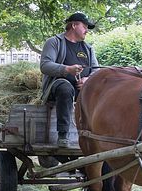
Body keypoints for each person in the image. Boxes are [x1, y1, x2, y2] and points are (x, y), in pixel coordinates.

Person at [40, 12, 99, 147]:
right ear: (74, 25)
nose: (86, 31)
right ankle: (63, 135)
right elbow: (45, 65)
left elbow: (96, 71)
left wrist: (87, 80)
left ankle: (98, 136)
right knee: (65, 87)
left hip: (82, 91)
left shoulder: (88, 48)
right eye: (84, 26)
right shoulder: (54, 42)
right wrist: (67, 69)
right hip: (56, 88)